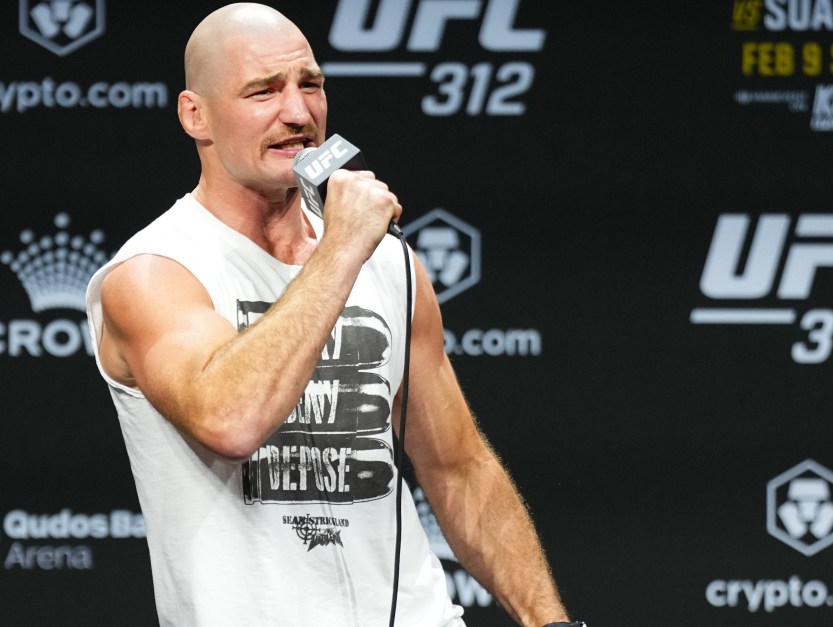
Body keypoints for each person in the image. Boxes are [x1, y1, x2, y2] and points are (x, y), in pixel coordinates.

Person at [84, 3, 579, 625]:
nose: (298, 113)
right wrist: (341, 248)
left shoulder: (389, 262)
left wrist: (550, 622)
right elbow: (230, 421)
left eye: (310, 84)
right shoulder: (156, 273)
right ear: (195, 115)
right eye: (264, 91)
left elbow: (458, 468)